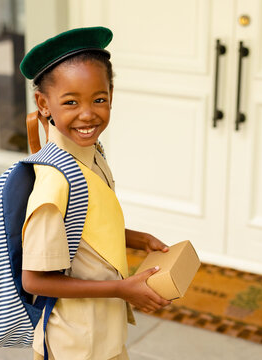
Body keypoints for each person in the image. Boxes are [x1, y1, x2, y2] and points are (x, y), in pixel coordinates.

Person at [19, 26, 171, 360]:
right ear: (43, 104)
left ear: (112, 95)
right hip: (74, 342)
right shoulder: (55, 182)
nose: (88, 114)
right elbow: (34, 279)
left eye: (99, 99)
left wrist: (136, 237)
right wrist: (121, 288)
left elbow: (84, 228)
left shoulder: (91, 155)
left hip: (103, 331)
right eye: (70, 102)